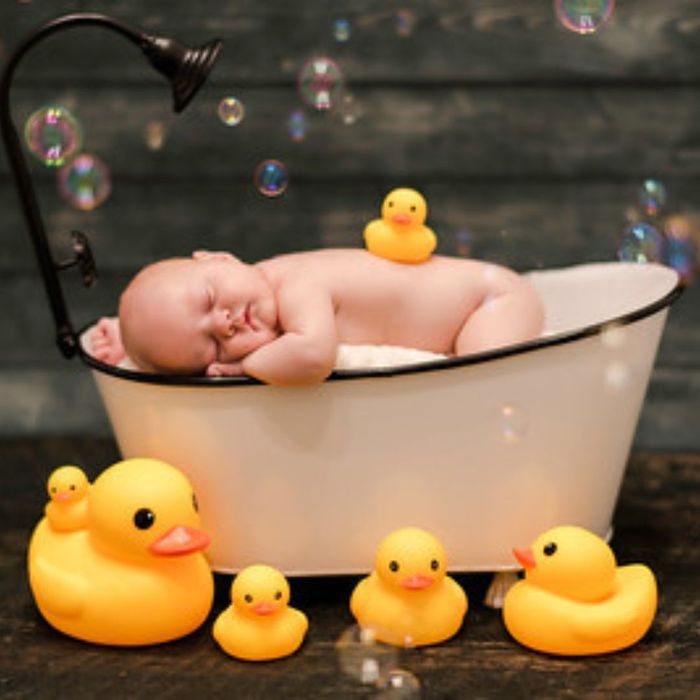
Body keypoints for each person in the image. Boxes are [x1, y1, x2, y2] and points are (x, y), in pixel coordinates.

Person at [91, 248, 544, 385]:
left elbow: (313, 356)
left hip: (490, 302)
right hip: (485, 299)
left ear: (223, 258)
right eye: (212, 344)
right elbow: (166, 312)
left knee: (479, 385)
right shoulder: (260, 289)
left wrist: (241, 365)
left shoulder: (297, 285)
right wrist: (129, 339)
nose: (224, 322)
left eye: (210, 298)